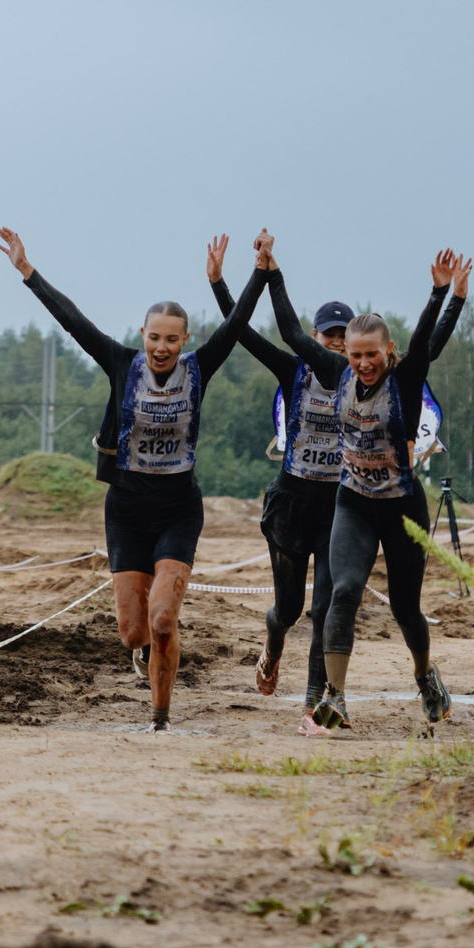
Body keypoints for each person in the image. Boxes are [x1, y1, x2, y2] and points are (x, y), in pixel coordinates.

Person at [0, 227, 260, 731]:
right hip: (126, 510)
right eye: (154, 337)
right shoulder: (122, 364)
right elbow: (73, 321)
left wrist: (254, 273)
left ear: (185, 341)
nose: (162, 348)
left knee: (163, 620)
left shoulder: (200, 368)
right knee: (131, 630)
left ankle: (160, 717)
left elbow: (237, 323)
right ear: (143, 336)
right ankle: (142, 655)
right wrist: (27, 271)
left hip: (179, 509)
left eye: (172, 339)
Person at [265, 244, 469, 732]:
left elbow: (426, 342)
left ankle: (425, 677)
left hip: (402, 508)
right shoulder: (336, 372)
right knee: (344, 592)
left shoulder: (404, 377)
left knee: (404, 608)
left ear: (387, 352)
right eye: (355, 355)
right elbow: (293, 332)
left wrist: (445, 295)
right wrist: (272, 271)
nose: (362, 363)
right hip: (353, 502)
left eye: (371, 355)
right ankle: (335, 696)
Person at [209, 233, 349, 714]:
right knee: (288, 610)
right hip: (291, 502)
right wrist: (220, 285)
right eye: (327, 334)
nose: (333, 342)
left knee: (325, 608)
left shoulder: (361, 379)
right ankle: (272, 646)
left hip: (338, 506)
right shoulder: (293, 370)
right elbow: (239, 334)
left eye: (341, 336)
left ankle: (313, 700)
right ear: (314, 337)